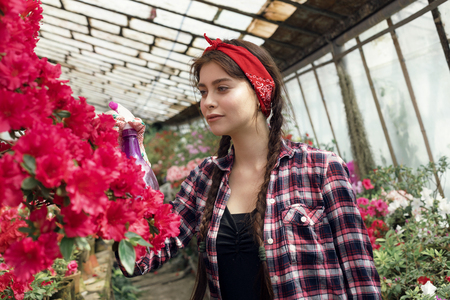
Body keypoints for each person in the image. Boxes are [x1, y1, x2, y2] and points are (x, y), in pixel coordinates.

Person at [115, 34, 381, 300]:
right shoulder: (205, 179)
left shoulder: (320, 169)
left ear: (259, 91)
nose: (207, 102)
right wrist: (128, 159)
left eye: (222, 88)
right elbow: (140, 258)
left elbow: (361, 278)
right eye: (203, 91)